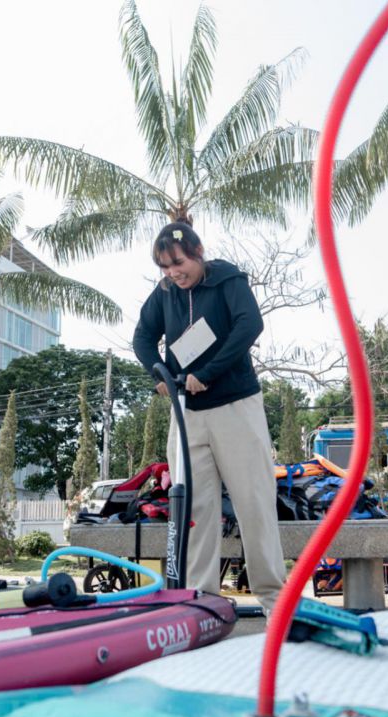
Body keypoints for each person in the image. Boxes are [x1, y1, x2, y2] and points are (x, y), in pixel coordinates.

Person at [133, 221, 286, 613]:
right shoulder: (165, 291)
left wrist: (210, 372)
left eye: (179, 263)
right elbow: (143, 338)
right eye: (165, 267)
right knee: (196, 511)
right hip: (187, 414)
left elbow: (249, 324)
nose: (173, 273)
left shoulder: (227, 279)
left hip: (236, 407)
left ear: (198, 252)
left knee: (254, 503)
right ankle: (203, 602)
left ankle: (275, 601)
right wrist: (159, 374)